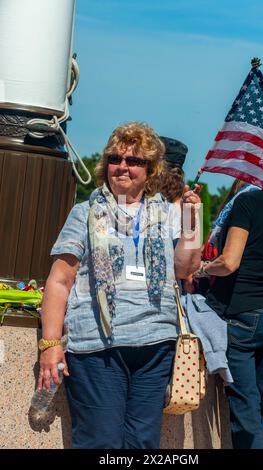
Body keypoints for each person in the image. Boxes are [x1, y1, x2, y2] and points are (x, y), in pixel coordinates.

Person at [37, 122, 201, 449]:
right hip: (98, 348)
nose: (122, 166)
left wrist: (190, 223)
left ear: (151, 169)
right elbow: (59, 280)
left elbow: (185, 269)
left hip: (155, 346)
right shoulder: (84, 213)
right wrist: (50, 344)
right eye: (115, 158)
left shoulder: (168, 214)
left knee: (143, 444)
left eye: (134, 160)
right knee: (102, 442)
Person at [195, 180, 263, 449]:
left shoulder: (246, 202)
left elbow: (229, 262)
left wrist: (203, 269)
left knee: (245, 407)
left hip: (242, 310)